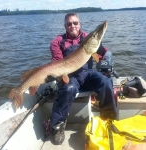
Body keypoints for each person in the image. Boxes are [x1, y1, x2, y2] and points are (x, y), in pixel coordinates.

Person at [44, 12, 118, 145]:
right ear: (65, 26)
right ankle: (57, 126)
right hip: (71, 77)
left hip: (87, 74)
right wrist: (54, 73)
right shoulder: (57, 42)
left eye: (75, 23)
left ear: (79, 24)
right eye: (69, 24)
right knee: (69, 89)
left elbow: (102, 55)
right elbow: (57, 62)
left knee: (106, 81)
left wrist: (100, 50)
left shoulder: (87, 37)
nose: (72, 26)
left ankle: (108, 119)